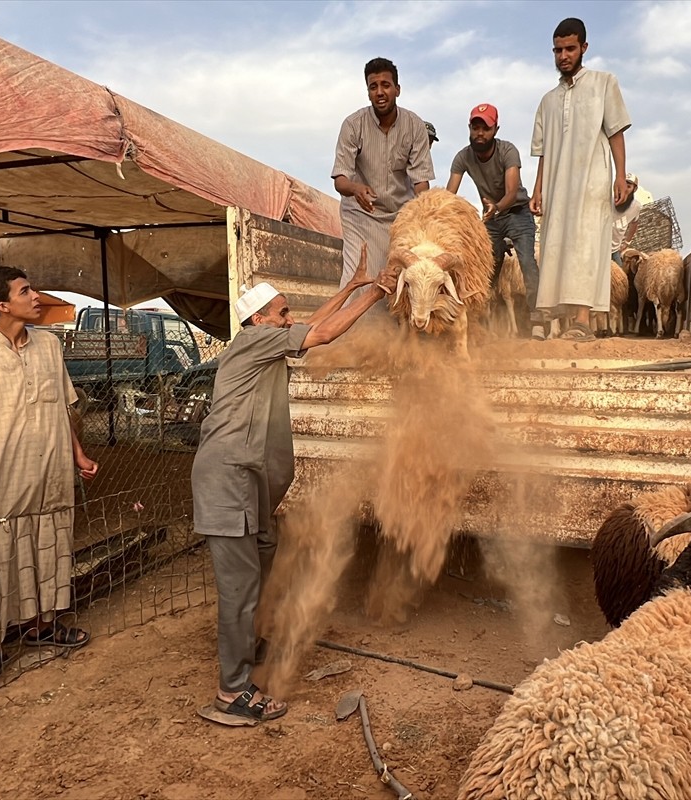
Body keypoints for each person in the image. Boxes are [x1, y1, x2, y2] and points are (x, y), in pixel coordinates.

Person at [192, 246, 399, 724]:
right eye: (282, 313)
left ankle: (251, 643)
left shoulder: (262, 341)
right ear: (259, 320)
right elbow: (322, 333)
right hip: (229, 483)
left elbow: (309, 325)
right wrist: (375, 297)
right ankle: (232, 692)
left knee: (263, 558)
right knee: (240, 587)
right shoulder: (253, 342)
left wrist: (352, 287)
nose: (290, 320)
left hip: (246, 484)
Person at [0, 267, 99, 697]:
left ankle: (43, 627)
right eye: (26, 291)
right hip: (0, 483)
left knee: (49, 548)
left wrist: (78, 454)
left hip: (49, 476)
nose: (36, 297)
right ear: (2, 305)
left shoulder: (49, 346)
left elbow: (63, 408)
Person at [529, 17, 631, 341]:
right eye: (558, 50)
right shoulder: (547, 101)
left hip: (593, 180)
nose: (563, 56)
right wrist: (538, 188)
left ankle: (583, 322)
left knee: (586, 246)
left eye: (570, 49)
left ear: (584, 48)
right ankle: (563, 321)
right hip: (559, 184)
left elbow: (615, 132)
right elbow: (543, 151)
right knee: (557, 246)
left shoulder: (604, 83)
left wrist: (620, 176)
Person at [332, 57, 434, 292]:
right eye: (373, 86)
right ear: (367, 92)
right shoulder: (352, 125)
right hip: (361, 213)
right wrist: (356, 189)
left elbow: (421, 181)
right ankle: (350, 329)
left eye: (385, 85)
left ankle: (390, 329)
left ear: (397, 89)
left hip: (401, 217)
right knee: (359, 279)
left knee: (400, 279)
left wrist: (423, 213)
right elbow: (340, 180)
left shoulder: (415, 125)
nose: (380, 92)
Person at [446, 102, 542, 338]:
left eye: (485, 128)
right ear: (469, 128)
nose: (480, 133)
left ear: (495, 130)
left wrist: (496, 208)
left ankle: (538, 320)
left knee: (527, 263)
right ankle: (477, 322)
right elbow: (449, 195)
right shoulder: (462, 157)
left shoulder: (508, 151)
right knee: (486, 270)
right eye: (475, 127)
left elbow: (511, 192)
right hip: (491, 217)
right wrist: (442, 214)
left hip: (516, 211)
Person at [611, 172, 643, 268]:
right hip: (599, 247)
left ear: (634, 189)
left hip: (614, 249)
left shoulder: (636, 207)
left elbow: (634, 223)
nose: (625, 189)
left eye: (628, 187)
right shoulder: (608, 199)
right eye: (623, 185)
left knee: (621, 278)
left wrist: (627, 243)